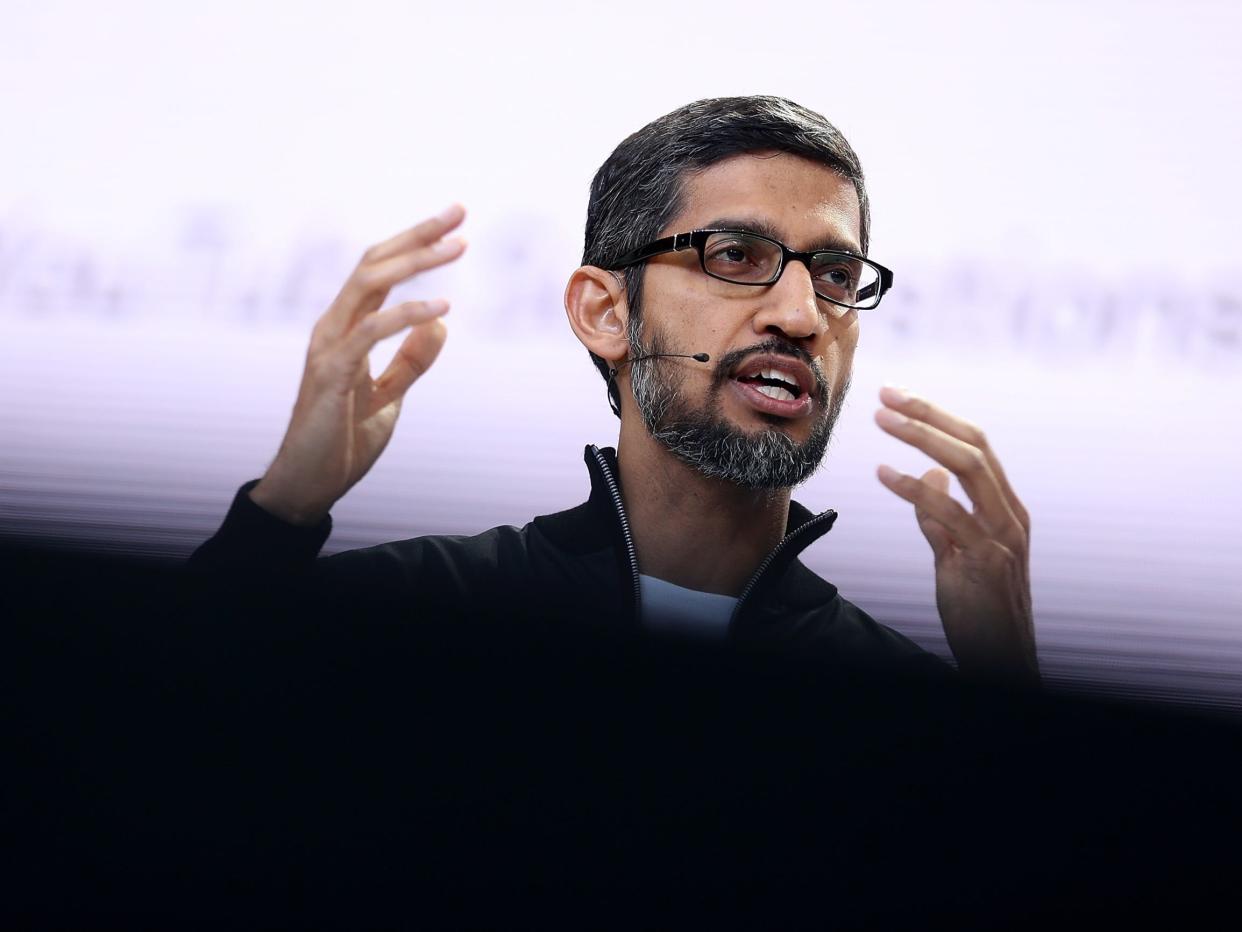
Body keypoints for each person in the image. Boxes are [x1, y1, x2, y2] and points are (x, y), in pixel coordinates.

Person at [191, 95, 1038, 683]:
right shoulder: (422, 613)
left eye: (835, 272)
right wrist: (281, 514)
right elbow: (155, 741)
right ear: (605, 312)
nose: (801, 315)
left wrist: (1010, 693)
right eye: (736, 255)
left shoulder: (896, 686)